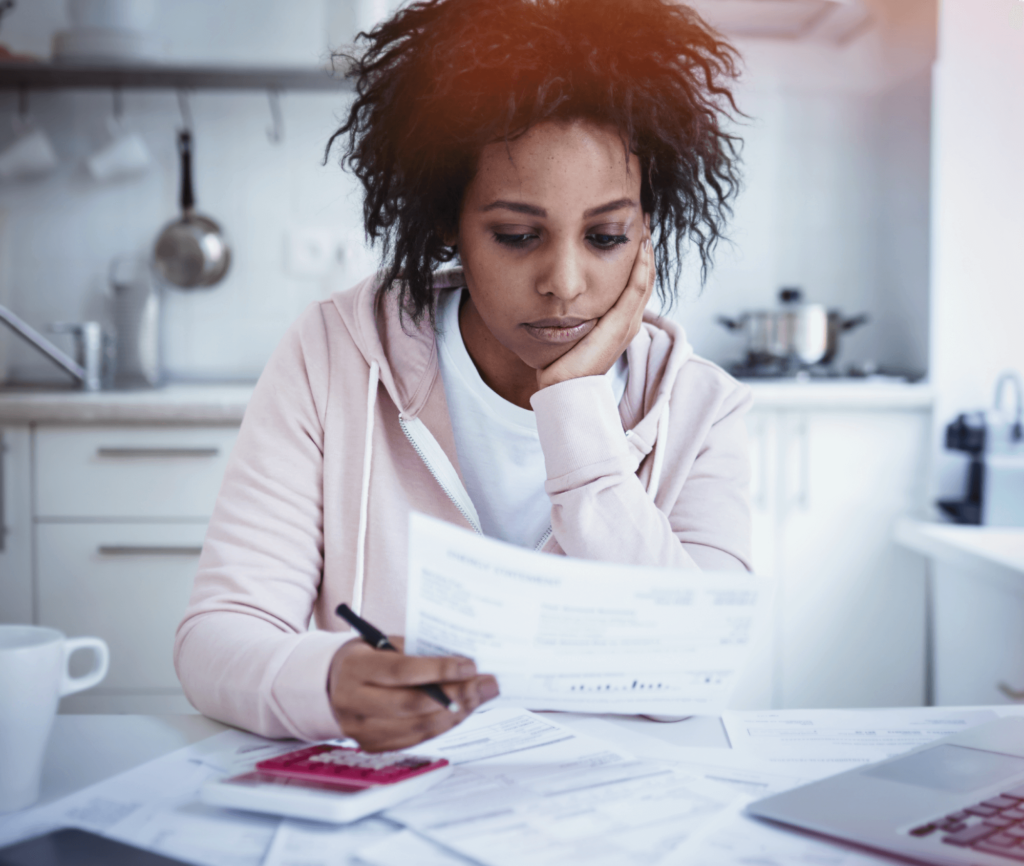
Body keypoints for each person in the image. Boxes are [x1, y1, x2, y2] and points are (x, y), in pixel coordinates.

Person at [174, 0, 751, 752]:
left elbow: (698, 672)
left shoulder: (700, 407)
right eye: (517, 236)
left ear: (647, 227)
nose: (567, 283)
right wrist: (328, 682)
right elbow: (216, 640)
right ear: (447, 220)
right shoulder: (332, 355)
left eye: (607, 236)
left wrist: (575, 407)